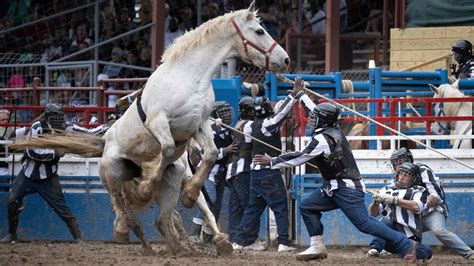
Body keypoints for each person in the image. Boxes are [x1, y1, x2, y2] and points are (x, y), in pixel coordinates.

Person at [252, 94, 418, 262]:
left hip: (346, 189)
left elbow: (301, 157)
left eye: (314, 117)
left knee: (365, 224)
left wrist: (272, 161)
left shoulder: (322, 139)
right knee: (307, 207)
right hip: (334, 187)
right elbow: (316, 111)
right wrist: (301, 95)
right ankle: (317, 245)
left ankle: (406, 245)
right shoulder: (333, 128)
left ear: (322, 120)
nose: (311, 119)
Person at [232, 78, 305, 253]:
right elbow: (280, 116)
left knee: (252, 209)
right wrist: (294, 95)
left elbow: (248, 145)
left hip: (255, 174)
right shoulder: (268, 124)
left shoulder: (249, 126)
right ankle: (283, 242)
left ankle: (240, 241)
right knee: (280, 207)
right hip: (269, 173)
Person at [0, 104, 83, 243]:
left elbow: (83, 131)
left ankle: (78, 237)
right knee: (12, 201)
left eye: (59, 117)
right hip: (28, 175)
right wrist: (56, 153)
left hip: (49, 178)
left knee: (62, 209)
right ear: (48, 116)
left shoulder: (65, 128)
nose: (58, 120)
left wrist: (105, 129)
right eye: (54, 117)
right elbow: (31, 152)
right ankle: (12, 234)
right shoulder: (37, 127)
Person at [389, 148, 474, 260]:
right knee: (388, 225)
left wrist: (428, 200)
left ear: (409, 161)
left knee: (439, 230)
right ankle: (382, 249)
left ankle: (468, 253)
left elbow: (436, 194)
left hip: (432, 211)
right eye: (396, 165)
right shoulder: (395, 179)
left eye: (401, 163)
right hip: (411, 215)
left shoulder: (423, 170)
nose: (399, 167)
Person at [367, 162, 432, 261]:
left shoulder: (419, 190)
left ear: (414, 178)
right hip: (390, 236)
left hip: (408, 238)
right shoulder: (387, 189)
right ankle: (374, 249)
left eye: (406, 175)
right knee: (384, 221)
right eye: (401, 174)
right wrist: (375, 202)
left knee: (427, 252)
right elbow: (373, 213)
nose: (401, 177)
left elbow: (417, 206)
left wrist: (395, 200)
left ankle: (403, 254)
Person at [190, 102, 236, 243]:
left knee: (216, 206)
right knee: (210, 201)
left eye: (228, 111)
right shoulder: (211, 130)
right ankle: (193, 234)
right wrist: (225, 151)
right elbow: (205, 153)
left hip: (221, 173)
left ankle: (208, 238)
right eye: (223, 112)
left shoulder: (229, 130)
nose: (227, 114)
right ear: (216, 114)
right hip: (208, 172)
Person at [226, 96, 255, 243]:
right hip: (242, 169)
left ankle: (234, 238)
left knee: (236, 207)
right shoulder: (249, 124)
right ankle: (247, 239)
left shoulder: (239, 123)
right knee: (248, 206)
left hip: (232, 170)